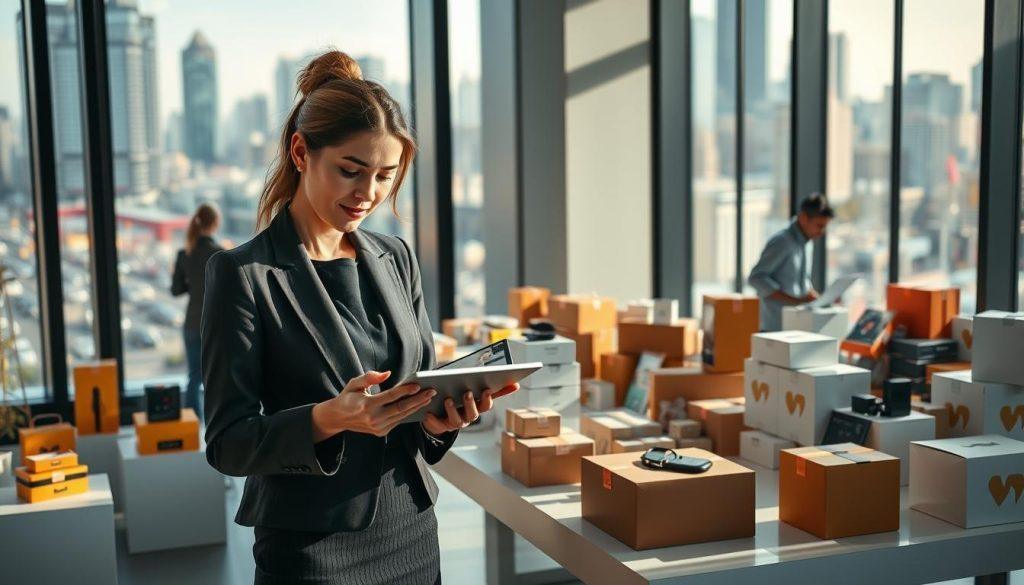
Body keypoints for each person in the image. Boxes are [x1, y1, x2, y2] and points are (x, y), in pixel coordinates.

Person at [201, 51, 517, 585]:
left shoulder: (396, 258)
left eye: (385, 176)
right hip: (312, 551)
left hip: (411, 529)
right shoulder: (243, 274)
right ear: (301, 152)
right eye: (350, 171)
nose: (367, 194)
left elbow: (413, 400)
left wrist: (440, 421)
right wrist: (332, 417)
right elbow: (228, 443)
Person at [747, 193, 834, 331]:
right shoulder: (782, 242)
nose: (822, 232)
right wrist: (795, 301)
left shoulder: (807, 244)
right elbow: (756, 278)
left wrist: (818, 299)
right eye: (819, 225)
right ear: (804, 218)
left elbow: (802, 281)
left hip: (796, 327)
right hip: (774, 329)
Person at [171, 202, 223, 422]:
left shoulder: (185, 253)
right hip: (214, 323)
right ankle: (216, 423)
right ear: (215, 224)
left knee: (194, 377)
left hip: (191, 323)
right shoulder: (220, 254)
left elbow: (176, 290)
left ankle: (194, 424)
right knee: (217, 377)